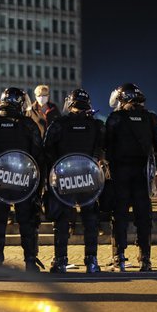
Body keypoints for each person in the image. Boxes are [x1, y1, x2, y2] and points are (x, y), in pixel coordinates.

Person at [0, 87, 45, 271]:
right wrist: (37, 186)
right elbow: (38, 155)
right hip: (23, 180)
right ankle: (30, 259)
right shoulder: (28, 124)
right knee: (26, 219)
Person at [44, 89, 105, 273]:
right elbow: (102, 149)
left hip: (65, 178)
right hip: (88, 177)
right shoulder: (96, 125)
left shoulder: (59, 124)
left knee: (62, 220)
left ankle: (61, 261)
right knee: (90, 219)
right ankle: (92, 261)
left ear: (69, 103)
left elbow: (47, 149)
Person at [104, 83, 157, 272]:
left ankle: (119, 258)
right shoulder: (150, 118)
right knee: (143, 217)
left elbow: (107, 145)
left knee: (119, 216)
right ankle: (145, 259)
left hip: (120, 174)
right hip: (141, 174)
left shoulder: (115, 118)